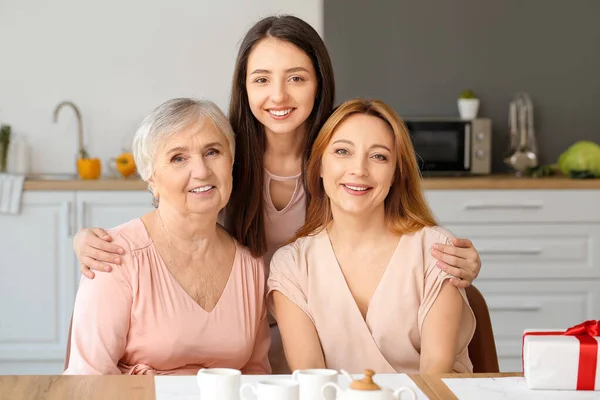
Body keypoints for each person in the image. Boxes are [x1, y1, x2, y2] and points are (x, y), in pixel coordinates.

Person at [69, 15, 482, 373]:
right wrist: (91, 242)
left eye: (297, 78)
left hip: (334, 345)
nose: (278, 96)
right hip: (242, 344)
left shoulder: (342, 157)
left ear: (320, 84)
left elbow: (402, 236)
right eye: (261, 79)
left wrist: (453, 258)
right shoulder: (224, 159)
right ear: (244, 87)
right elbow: (169, 220)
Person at [268, 98, 475, 374]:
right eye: (342, 151)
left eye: (379, 156)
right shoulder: (291, 265)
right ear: (318, 166)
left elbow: (434, 377)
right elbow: (312, 380)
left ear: (394, 175)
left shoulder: (435, 251)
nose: (359, 170)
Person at [64, 98, 270, 375]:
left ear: (231, 162)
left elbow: (256, 378)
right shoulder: (113, 257)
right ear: (151, 179)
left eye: (212, 152)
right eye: (178, 158)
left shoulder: (250, 267)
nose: (201, 171)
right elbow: (88, 379)